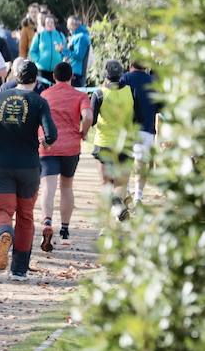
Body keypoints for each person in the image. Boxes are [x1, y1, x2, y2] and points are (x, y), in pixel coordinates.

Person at [0, 58, 58, 279]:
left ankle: (4, 233)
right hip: (29, 166)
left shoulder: (0, 97)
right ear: (35, 79)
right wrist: (44, 142)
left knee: (3, 210)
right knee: (25, 216)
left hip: (3, 163)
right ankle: (19, 270)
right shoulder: (39, 101)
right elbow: (51, 135)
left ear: (16, 76)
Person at [39, 61, 91, 247]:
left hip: (48, 146)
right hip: (71, 147)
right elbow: (88, 116)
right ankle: (65, 229)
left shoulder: (45, 95)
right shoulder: (80, 95)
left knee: (48, 187)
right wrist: (84, 132)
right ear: (71, 77)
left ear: (53, 76)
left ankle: (47, 221)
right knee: (66, 187)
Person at [90, 58, 136, 221]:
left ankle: (114, 210)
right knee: (120, 184)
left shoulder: (99, 93)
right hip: (125, 143)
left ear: (105, 74)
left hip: (103, 144)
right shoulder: (131, 91)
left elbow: (92, 120)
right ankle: (117, 213)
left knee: (106, 184)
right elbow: (136, 116)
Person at [121, 59, 161, 204]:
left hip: (126, 127)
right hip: (147, 127)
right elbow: (160, 106)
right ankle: (138, 195)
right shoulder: (153, 81)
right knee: (141, 163)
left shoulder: (124, 78)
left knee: (125, 162)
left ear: (131, 65)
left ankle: (124, 191)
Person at [29, 14, 66, 82]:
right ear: (44, 24)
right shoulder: (39, 35)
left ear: (54, 24)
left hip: (56, 70)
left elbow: (65, 50)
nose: (50, 24)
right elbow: (32, 51)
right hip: (42, 70)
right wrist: (38, 60)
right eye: (48, 22)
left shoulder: (60, 35)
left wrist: (61, 58)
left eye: (52, 22)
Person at [64, 16, 91, 86]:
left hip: (77, 74)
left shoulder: (81, 37)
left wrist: (63, 50)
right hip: (72, 73)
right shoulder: (76, 36)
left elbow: (79, 56)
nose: (67, 27)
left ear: (75, 25)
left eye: (68, 25)